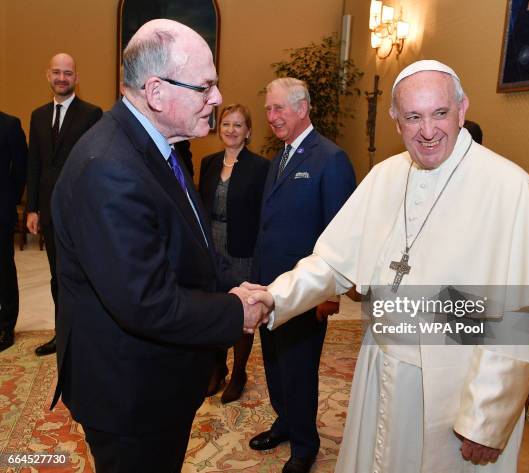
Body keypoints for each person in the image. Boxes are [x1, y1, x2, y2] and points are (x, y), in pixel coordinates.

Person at [247, 60, 529, 472]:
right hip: (381, 368)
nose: (427, 131)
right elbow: (330, 263)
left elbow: (528, 316)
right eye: (413, 117)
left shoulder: (515, 191)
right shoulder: (384, 177)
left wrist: (487, 418)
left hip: (457, 388)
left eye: (440, 113)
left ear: (463, 108)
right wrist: (273, 297)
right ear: (396, 121)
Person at [50, 19, 268, 473]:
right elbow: (145, 302)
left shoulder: (156, 147)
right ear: (156, 92)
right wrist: (236, 312)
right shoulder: (108, 167)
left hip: (158, 378)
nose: (217, 98)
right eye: (205, 86)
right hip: (129, 396)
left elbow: (189, 243)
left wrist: (241, 282)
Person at [248, 78, 356, 473]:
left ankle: (305, 445)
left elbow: (340, 233)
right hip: (270, 288)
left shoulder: (331, 159)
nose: (271, 117)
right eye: (268, 110)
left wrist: (330, 294)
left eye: (278, 109)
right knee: (275, 364)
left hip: (306, 291)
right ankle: (285, 421)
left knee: (299, 367)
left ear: (302, 108)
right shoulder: (279, 159)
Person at [26, 53, 102, 356]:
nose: (61, 78)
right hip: (48, 211)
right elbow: (34, 164)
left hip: (80, 212)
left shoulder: (92, 114)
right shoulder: (37, 116)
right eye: (56, 72)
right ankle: (62, 335)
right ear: (48, 75)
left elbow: (97, 164)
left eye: (67, 73)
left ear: (76, 78)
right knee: (57, 274)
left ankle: (87, 334)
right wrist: (32, 207)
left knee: (83, 274)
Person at [199, 104, 269, 403]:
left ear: (248, 132)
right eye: (226, 124)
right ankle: (217, 366)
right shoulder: (209, 162)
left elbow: (264, 215)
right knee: (213, 309)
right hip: (210, 247)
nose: (231, 130)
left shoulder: (259, 167)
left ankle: (239, 372)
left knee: (242, 310)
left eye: (238, 125)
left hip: (242, 250)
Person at [0, 111, 28, 352]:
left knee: (3, 269)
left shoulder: (9, 124)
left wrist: (10, 200)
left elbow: (21, 168)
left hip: (1, 212)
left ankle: (6, 325)